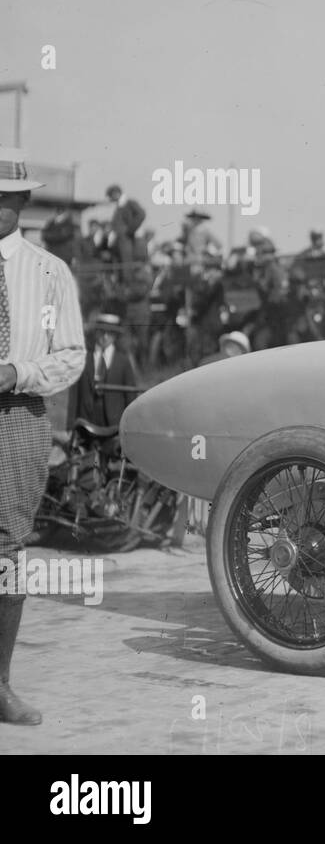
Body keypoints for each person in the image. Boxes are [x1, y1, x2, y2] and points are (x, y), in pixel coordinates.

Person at [0, 147, 86, 725]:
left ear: (21, 203)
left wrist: (17, 371)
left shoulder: (48, 272)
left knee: (5, 547)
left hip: (17, 416)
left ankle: (0, 684)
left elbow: (71, 354)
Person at [68, 312, 139, 430]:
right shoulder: (84, 358)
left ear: (115, 335)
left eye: (110, 333)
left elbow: (130, 396)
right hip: (86, 421)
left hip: (114, 422)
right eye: (102, 332)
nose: (105, 337)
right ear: (96, 332)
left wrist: (131, 425)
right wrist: (70, 426)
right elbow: (74, 394)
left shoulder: (123, 361)